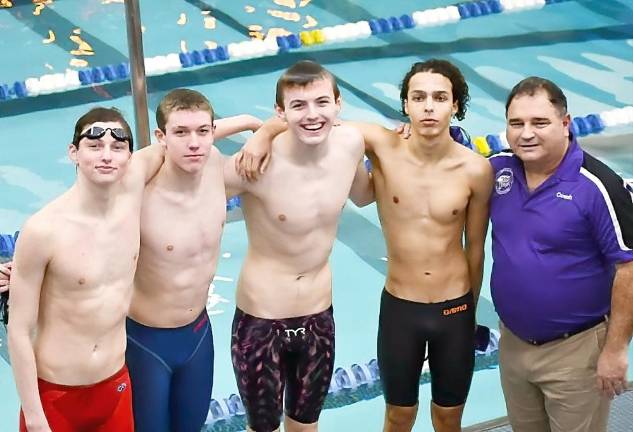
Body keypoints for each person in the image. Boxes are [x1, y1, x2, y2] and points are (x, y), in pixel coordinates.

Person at [239, 59, 493, 432]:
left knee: (448, 418)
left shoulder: (476, 170)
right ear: (405, 104)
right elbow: (315, 116)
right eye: (418, 97)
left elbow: (476, 249)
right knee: (397, 416)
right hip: (400, 309)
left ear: (455, 105)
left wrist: (469, 313)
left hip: (453, 307)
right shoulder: (380, 143)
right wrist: (262, 133)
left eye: (440, 98)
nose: (428, 107)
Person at [223, 60, 374, 432]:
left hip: (318, 314)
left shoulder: (351, 144)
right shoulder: (255, 162)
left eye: (322, 103)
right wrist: (250, 126)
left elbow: (365, 196)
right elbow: (184, 175)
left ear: (339, 105)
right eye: (298, 106)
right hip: (262, 320)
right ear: (280, 112)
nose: (312, 115)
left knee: (306, 427)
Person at [489, 77, 633, 432]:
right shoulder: (498, 170)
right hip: (513, 343)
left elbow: (629, 268)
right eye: (516, 123)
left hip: (576, 351)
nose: (526, 134)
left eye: (540, 123)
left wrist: (615, 351)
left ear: (565, 124)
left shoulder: (597, 185)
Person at [7, 107, 164, 432]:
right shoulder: (42, 230)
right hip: (55, 398)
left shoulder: (132, 191)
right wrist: (35, 418)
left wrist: (258, 129)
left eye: (117, 147)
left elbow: (183, 137)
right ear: (73, 153)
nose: (106, 156)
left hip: (115, 389)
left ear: (129, 157)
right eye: (94, 146)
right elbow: (19, 332)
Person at [125, 88, 263, 432]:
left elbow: (294, 135)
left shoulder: (216, 165)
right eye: (180, 133)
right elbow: (81, 219)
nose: (194, 143)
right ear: (161, 137)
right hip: (145, 341)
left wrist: (255, 124)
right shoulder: (140, 188)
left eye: (203, 132)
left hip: (198, 336)